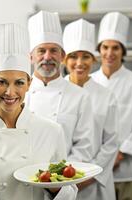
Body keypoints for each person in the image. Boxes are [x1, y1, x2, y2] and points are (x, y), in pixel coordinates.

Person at [0, 23, 77, 200]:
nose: (10, 92)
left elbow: (69, 194)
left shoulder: (51, 131)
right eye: (1, 82)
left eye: (19, 83)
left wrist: (54, 187)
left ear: (29, 83)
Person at [92, 12, 132, 200]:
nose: (110, 53)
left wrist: (119, 154)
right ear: (99, 50)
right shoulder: (90, 82)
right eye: (105, 47)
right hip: (96, 170)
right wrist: (105, 158)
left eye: (116, 48)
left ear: (123, 51)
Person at [26, 10, 94, 162]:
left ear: (62, 56)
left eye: (54, 50)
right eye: (41, 50)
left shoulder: (80, 96)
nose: (47, 57)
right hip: (23, 177)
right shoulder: (18, 94)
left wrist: (60, 176)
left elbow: (84, 146)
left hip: (64, 180)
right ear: (30, 57)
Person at [63, 18, 119, 200]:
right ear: (64, 60)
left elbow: (111, 142)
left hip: (96, 182)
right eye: (73, 56)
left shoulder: (106, 95)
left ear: (93, 59)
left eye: (85, 56)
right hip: (61, 180)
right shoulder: (58, 92)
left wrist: (89, 175)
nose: (79, 63)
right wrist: (64, 175)